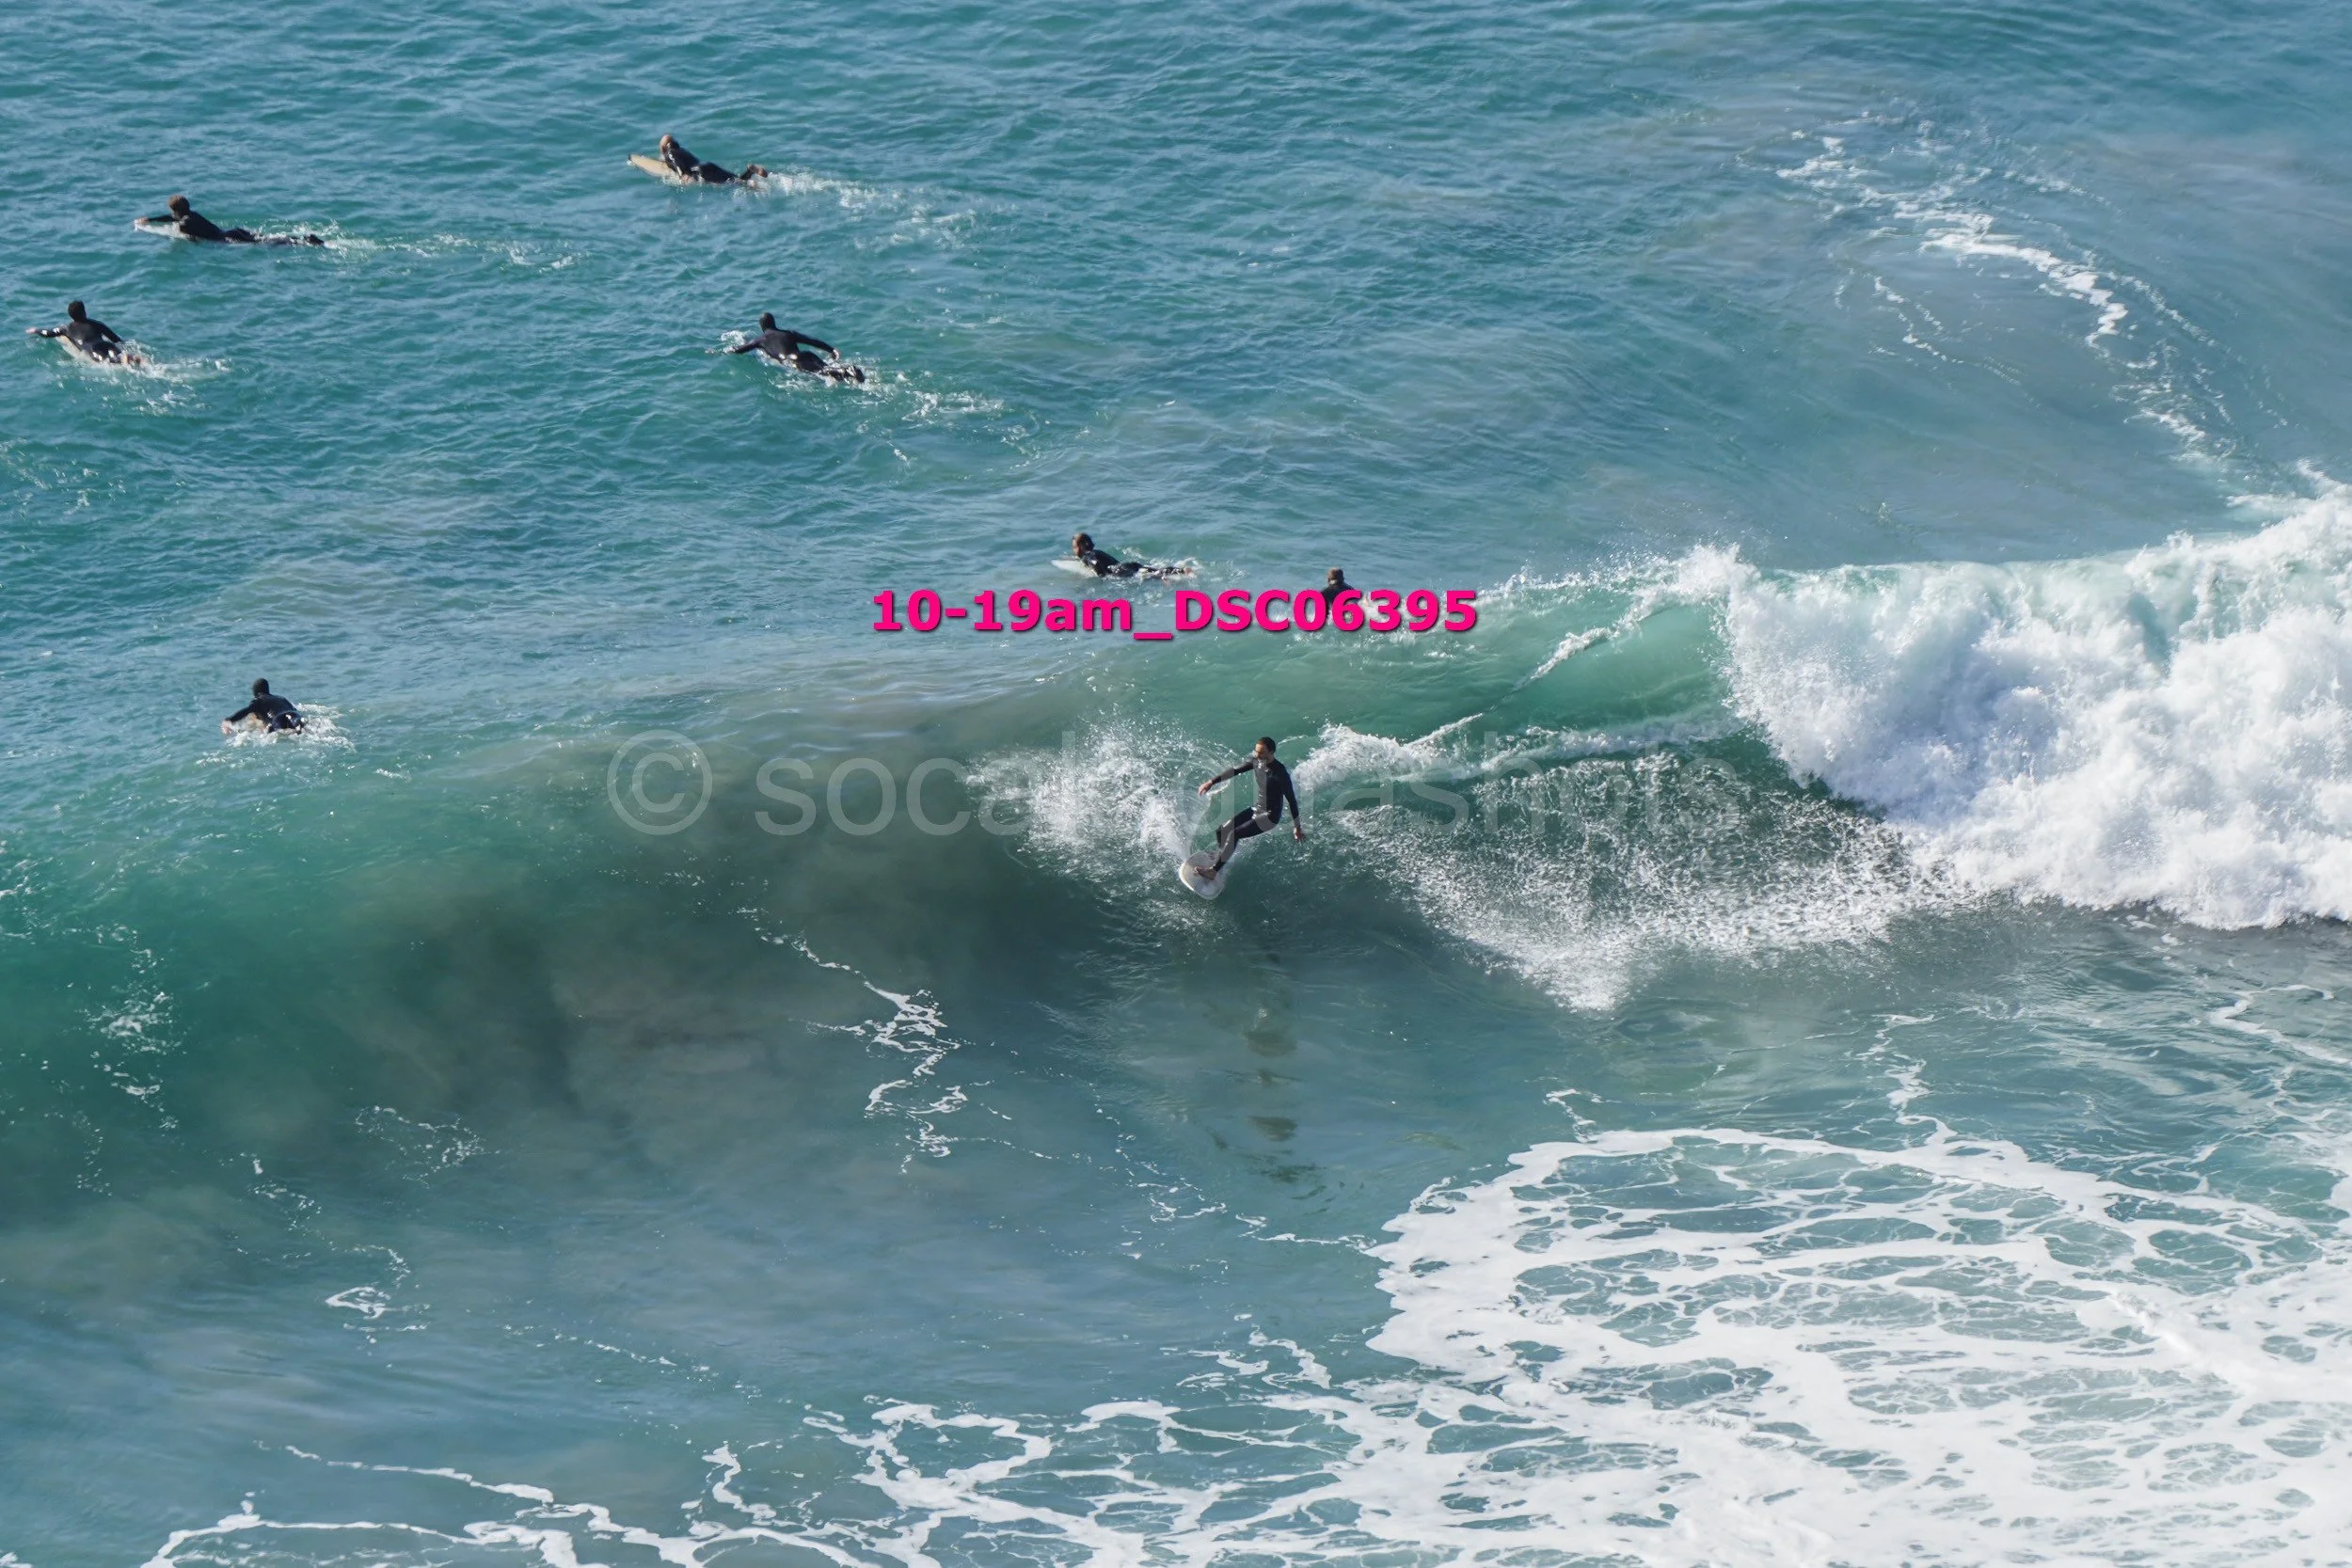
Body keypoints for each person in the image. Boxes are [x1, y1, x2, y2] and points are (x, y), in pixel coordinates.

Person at [1195, 736, 1304, 882]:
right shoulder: (1257, 762)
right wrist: (1211, 782)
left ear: (1271, 752)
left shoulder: (1280, 774)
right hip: (1257, 808)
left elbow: (1292, 801)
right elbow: (1235, 770)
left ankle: (1214, 871)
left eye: (1261, 753)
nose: (1257, 755)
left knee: (1234, 834)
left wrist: (1297, 827)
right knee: (1222, 830)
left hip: (1270, 817)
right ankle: (1222, 859)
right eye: (1256, 751)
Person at [728, 313, 865, 382]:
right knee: (827, 369)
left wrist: (723, 350)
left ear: (762, 327)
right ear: (774, 323)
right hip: (806, 354)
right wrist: (831, 349)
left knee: (824, 373)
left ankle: (849, 370)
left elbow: (739, 350)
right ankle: (848, 372)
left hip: (794, 361)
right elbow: (811, 340)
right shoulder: (789, 333)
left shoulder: (759, 340)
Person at [141, 194, 321, 245]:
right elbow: (172, 219)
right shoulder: (192, 214)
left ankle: (303, 241)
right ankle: (302, 239)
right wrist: (150, 219)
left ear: (176, 211)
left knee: (264, 243)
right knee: (263, 238)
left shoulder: (185, 223)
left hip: (227, 239)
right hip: (232, 231)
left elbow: (183, 229)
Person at [27, 300, 137, 364]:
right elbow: (115, 339)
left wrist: (37, 330)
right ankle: (131, 358)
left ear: (70, 315)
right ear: (84, 312)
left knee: (110, 362)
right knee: (122, 357)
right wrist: (123, 347)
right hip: (107, 345)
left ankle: (124, 359)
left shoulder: (66, 329)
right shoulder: (96, 323)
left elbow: (48, 333)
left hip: (93, 350)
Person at [1072, 532, 1191, 580]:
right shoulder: (1098, 552)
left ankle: (1164, 578)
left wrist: (1102, 576)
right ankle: (1181, 570)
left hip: (1118, 571)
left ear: (1081, 547)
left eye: (1074, 547)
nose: (1074, 550)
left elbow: (1095, 563)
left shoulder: (1087, 556)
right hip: (1126, 565)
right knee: (1153, 571)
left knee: (1150, 577)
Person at [659, 135, 769, 185]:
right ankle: (751, 171)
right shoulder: (683, 150)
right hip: (707, 165)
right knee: (734, 179)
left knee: (732, 185)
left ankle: (750, 181)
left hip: (700, 172)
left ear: (664, 148)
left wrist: (682, 175)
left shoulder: (670, 153)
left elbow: (676, 162)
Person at [222, 678, 304, 735]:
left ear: (255, 693)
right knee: (302, 729)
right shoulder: (281, 699)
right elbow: (295, 709)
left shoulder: (258, 701)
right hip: (294, 715)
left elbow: (246, 711)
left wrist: (229, 720)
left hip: (278, 719)